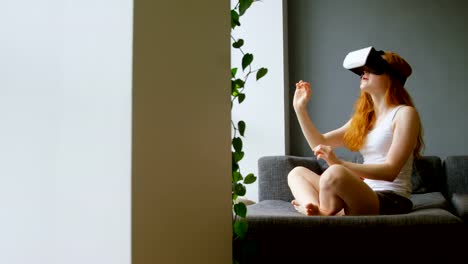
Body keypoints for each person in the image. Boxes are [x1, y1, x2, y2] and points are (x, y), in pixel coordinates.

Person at [288, 50, 424, 216]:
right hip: (363, 193)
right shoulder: (364, 119)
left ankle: (325, 212)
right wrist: (300, 109)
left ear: (391, 77)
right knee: (297, 173)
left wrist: (339, 164)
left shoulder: (405, 114)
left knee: (334, 173)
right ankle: (316, 210)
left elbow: (390, 171)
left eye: (371, 68)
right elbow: (320, 143)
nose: (364, 72)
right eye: (363, 70)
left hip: (391, 199)